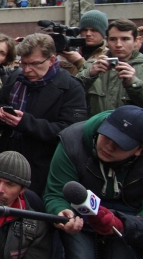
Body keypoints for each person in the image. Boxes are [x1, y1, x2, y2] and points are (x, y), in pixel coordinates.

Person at [0, 33, 87, 196]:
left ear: (51, 60)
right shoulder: (16, 78)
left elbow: (70, 133)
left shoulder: (71, 88)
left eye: (34, 64)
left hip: (43, 169)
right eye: (24, 63)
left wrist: (26, 123)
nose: (27, 70)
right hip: (8, 162)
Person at [44, 106, 143, 258]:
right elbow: (56, 192)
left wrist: (124, 224)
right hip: (79, 212)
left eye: (121, 144)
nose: (109, 147)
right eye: (107, 136)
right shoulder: (71, 140)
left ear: (139, 150)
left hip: (128, 215)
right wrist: (60, 211)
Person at [76, 18, 143, 117]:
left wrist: (133, 83)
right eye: (113, 39)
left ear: (137, 41)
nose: (118, 45)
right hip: (96, 129)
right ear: (106, 41)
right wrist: (89, 74)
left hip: (133, 131)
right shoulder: (91, 65)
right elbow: (72, 96)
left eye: (125, 39)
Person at [59, 10, 109, 76]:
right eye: (84, 30)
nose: (88, 34)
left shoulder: (108, 55)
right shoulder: (67, 52)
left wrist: (79, 62)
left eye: (93, 30)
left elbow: (100, 84)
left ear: (103, 33)